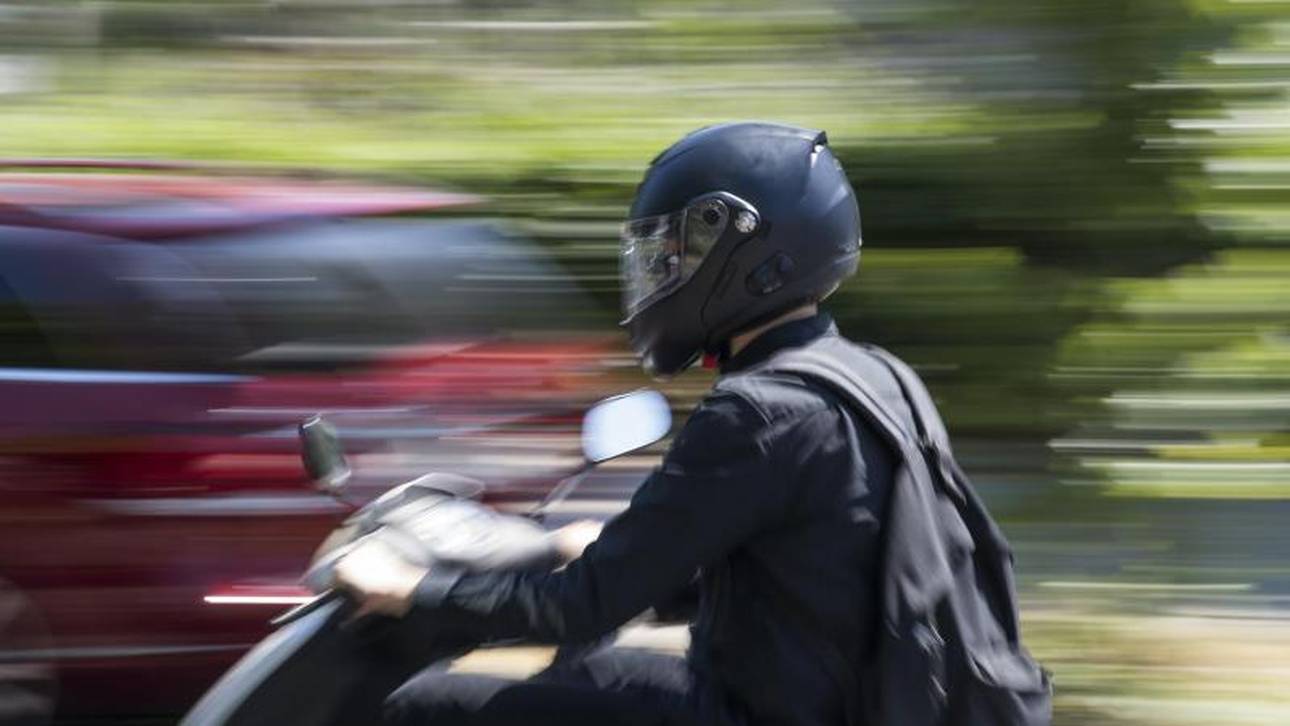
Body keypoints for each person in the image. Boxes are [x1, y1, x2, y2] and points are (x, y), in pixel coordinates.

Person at [335, 121, 901, 726]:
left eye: (678, 255)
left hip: (768, 707)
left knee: (426, 707)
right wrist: (630, 559)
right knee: (586, 674)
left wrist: (410, 588)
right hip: (826, 695)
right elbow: (807, 564)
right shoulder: (866, 377)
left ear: (752, 258)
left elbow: (582, 608)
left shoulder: (759, 412)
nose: (662, 273)